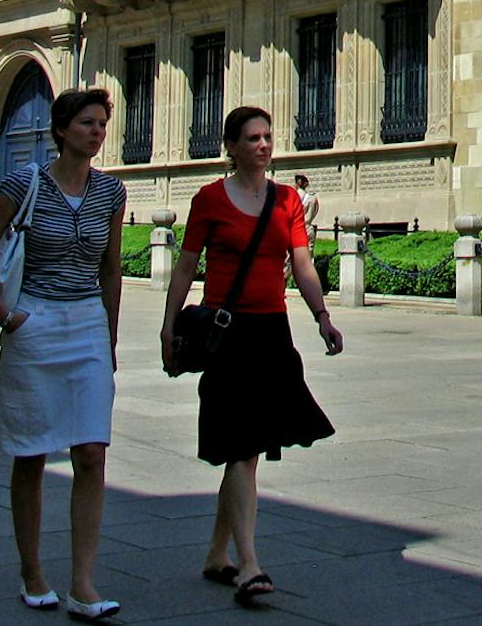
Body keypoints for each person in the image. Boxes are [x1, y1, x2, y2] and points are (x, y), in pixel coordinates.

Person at [161, 107, 341, 609]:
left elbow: (301, 263)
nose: (263, 145)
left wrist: (322, 315)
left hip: (271, 332)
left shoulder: (287, 201)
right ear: (231, 147)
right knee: (242, 450)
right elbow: (185, 267)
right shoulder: (209, 199)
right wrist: (168, 325)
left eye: (268, 137)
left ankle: (218, 555)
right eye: (253, 138)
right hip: (227, 332)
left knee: (249, 451)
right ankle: (250, 565)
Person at [0, 88, 127, 622]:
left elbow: (110, 268)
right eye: (87, 123)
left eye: (102, 123)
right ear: (61, 130)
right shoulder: (24, 182)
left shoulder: (111, 192)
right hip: (35, 320)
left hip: (86, 324)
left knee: (91, 453)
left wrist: (110, 337)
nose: (97, 131)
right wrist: (8, 317)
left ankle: (83, 581)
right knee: (31, 451)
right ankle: (32, 570)